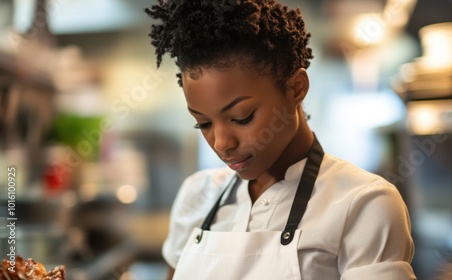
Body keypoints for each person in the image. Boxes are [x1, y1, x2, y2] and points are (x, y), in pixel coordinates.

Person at [145, 0, 416, 279]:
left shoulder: (363, 203)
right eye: (203, 123)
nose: (221, 143)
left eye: (242, 117)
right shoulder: (197, 195)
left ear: (296, 88)